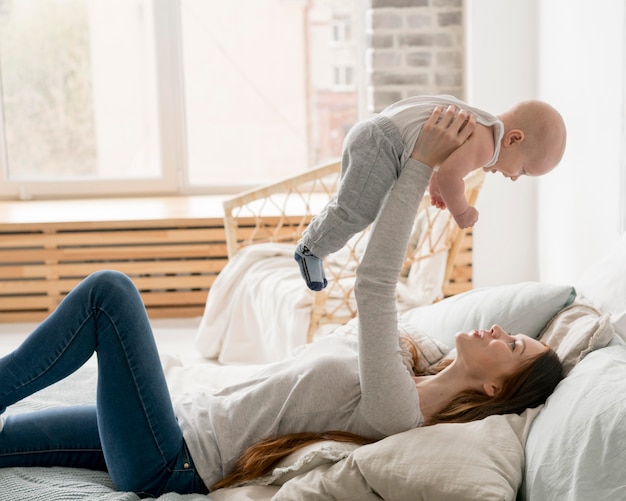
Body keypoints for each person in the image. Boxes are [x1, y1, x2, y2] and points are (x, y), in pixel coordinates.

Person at [0, 110, 564, 497]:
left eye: (512, 344)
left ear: (495, 391)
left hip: (169, 458)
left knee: (109, 294)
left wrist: (419, 165)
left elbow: (374, 283)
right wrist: (437, 177)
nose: (496, 328)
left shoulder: (400, 410)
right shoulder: (419, 358)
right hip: (175, 418)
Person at [294, 94, 566, 291]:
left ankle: (319, 241)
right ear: (514, 139)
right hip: (383, 145)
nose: (515, 178)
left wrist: (436, 186)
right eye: (523, 170)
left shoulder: (481, 122)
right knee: (358, 209)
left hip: (376, 134)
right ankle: (311, 249)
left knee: (352, 201)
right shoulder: (485, 144)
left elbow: (444, 169)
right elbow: (451, 176)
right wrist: (462, 212)